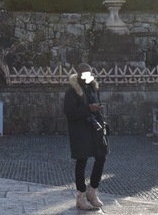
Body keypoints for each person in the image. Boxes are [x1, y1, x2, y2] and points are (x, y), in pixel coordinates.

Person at [64, 63, 109, 210]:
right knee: (81, 161)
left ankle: (92, 190)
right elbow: (70, 113)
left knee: (101, 156)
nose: (87, 76)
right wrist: (88, 108)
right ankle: (81, 196)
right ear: (78, 75)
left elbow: (97, 106)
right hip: (80, 131)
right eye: (84, 73)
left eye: (89, 73)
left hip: (95, 129)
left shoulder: (93, 88)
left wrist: (99, 114)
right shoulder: (71, 92)